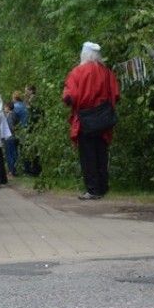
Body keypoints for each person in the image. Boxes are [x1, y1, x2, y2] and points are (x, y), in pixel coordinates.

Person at [62, 42, 119, 200]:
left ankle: (93, 189)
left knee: (88, 155)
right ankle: (102, 187)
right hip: (103, 117)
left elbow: (70, 97)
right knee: (101, 152)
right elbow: (115, 95)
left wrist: (70, 100)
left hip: (85, 118)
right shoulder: (107, 72)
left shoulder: (78, 72)